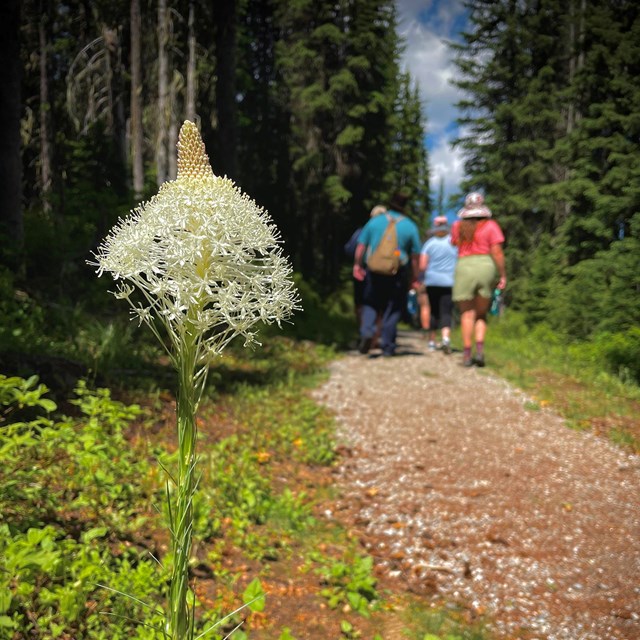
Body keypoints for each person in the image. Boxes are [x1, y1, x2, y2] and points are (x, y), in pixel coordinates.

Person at [353, 193, 421, 357]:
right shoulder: (410, 226)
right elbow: (415, 257)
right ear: (405, 207)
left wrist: (357, 265)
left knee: (370, 303)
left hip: (374, 270)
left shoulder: (375, 222)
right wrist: (415, 278)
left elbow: (361, 246)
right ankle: (388, 346)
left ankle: (367, 332)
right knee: (393, 308)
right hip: (397, 273)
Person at [450, 192, 507, 367]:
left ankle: (467, 354)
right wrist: (503, 274)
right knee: (481, 314)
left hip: (464, 266)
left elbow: (454, 244)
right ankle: (480, 351)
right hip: (485, 266)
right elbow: (497, 252)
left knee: (467, 314)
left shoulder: (458, 226)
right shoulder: (491, 226)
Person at [419, 215, 457, 354]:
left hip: (432, 281)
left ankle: (431, 341)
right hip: (449, 282)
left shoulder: (429, 244)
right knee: (446, 311)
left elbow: (422, 265)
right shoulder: (453, 243)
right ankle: (446, 339)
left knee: (434, 311)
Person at [344, 204, 387, 327]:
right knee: (379, 304)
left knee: (361, 302)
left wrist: (357, 265)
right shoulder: (390, 234)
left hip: (362, 271)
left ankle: (363, 330)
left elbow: (351, 249)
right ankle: (375, 336)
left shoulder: (363, 230)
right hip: (384, 273)